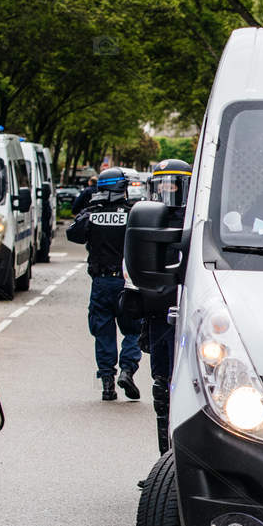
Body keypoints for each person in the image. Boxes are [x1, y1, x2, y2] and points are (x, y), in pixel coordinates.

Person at [67, 166, 141, 401]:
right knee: (133, 330)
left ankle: (107, 381)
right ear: (121, 188)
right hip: (128, 283)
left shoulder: (92, 214)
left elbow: (73, 233)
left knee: (103, 332)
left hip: (101, 283)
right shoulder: (132, 213)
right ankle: (127, 370)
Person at [140, 158, 190, 451]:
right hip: (159, 317)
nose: (168, 193)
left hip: (190, 316)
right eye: (163, 186)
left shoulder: (198, 220)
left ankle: (184, 466)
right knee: (161, 387)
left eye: (175, 186)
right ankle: (164, 462)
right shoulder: (148, 220)